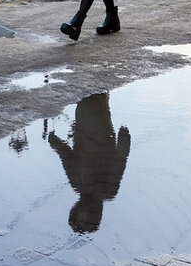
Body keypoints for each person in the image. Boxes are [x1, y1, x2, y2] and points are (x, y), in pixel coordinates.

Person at [48, 93, 132, 233]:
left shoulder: (80, 185)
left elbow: (66, 155)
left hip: (92, 125)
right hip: (94, 125)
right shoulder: (104, 190)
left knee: (94, 95)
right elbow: (120, 162)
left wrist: (55, 143)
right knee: (93, 96)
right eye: (87, 218)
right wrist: (124, 141)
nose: (84, 214)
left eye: (81, 216)